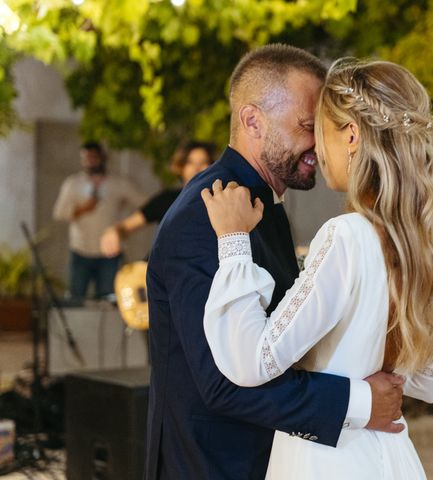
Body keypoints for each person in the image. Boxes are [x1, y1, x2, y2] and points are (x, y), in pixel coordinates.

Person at [144, 44, 405, 480]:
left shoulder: (263, 206)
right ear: (252, 121)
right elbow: (222, 382)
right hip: (213, 465)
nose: (318, 145)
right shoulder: (206, 212)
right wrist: (357, 403)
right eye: (307, 126)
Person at [200, 58, 433, 478]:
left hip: (328, 459)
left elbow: (253, 360)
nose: (317, 150)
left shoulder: (346, 236)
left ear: (352, 135)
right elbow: (432, 384)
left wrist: (233, 243)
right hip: (389, 455)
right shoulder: (427, 245)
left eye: (319, 130)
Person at [53, 142, 146, 300]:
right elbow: (59, 213)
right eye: (85, 158)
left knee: (109, 300)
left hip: (109, 253)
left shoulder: (118, 183)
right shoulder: (73, 183)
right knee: (76, 298)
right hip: (80, 250)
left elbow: (145, 204)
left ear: (102, 157)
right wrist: (82, 209)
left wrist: (126, 225)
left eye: (93, 157)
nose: (90, 162)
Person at [100, 141, 215, 258]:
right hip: (165, 270)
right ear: (180, 167)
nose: (197, 168)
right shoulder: (167, 199)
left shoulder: (218, 200)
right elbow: (126, 226)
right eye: (190, 162)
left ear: (212, 166)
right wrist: (114, 232)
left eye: (203, 162)